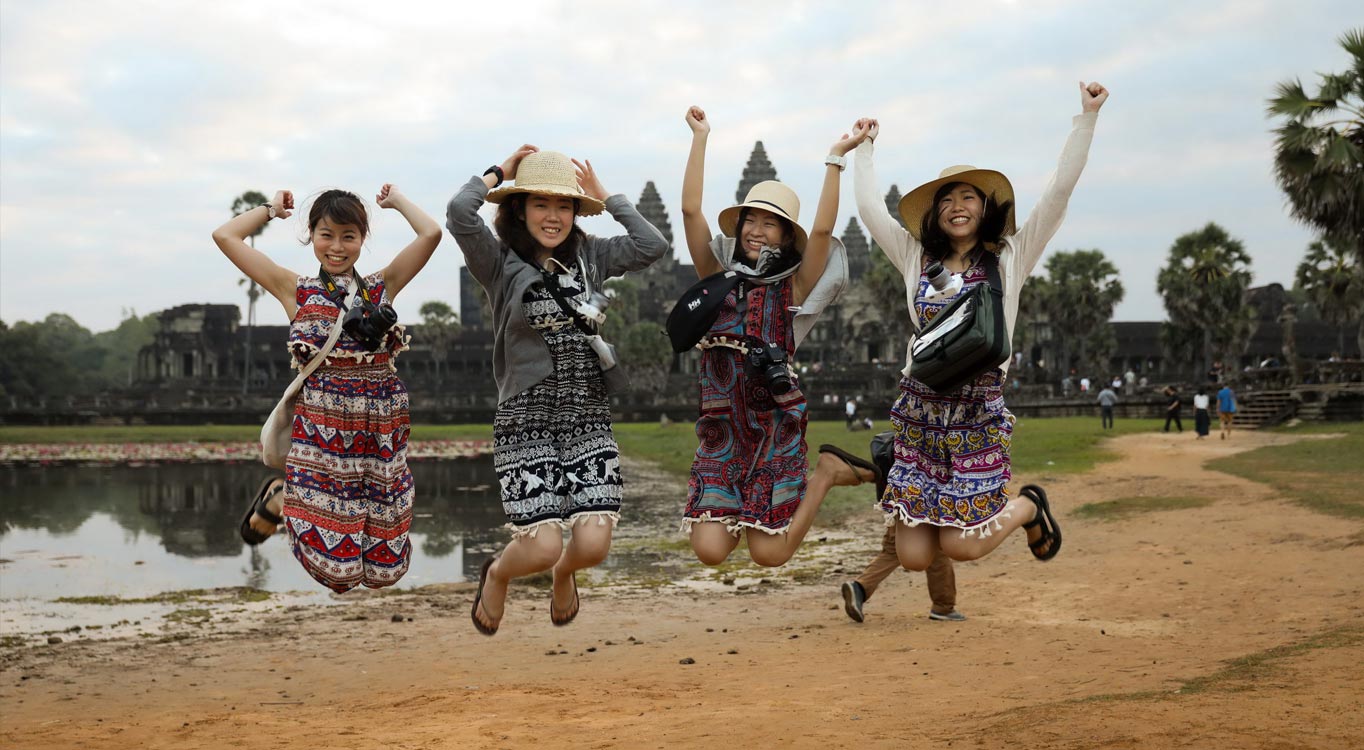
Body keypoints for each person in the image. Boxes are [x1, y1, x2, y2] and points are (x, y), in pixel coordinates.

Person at [852, 80, 1109, 570]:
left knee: (962, 546)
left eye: (968, 197)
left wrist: (1087, 118)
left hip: (977, 413)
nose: (957, 206)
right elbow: (869, 212)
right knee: (913, 557)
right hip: (921, 410)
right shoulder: (914, 256)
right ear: (935, 212)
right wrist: (864, 149)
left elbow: (1058, 192)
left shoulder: (1009, 258)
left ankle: (1029, 506)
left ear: (985, 207)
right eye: (947, 199)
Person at [448, 147, 669, 635]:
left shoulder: (591, 256)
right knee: (542, 544)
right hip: (526, 420)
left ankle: (565, 575)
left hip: (586, 414)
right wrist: (499, 172)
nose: (553, 216)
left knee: (591, 546)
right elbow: (459, 213)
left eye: (564, 205)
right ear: (520, 209)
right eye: (541, 204)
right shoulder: (499, 263)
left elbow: (652, 244)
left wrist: (606, 197)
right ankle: (498, 573)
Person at [213, 184, 441, 592]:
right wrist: (271, 210)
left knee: (385, 570)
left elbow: (431, 236)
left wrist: (398, 202)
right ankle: (284, 497)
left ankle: (287, 496)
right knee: (340, 576)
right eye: (326, 235)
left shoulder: (380, 286)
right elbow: (225, 237)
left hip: (382, 427)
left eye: (348, 236)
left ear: (362, 239)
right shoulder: (294, 289)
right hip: (325, 427)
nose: (337, 247)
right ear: (312, 236)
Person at [680, 105, 875, 568]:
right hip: (722, 432)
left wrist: (835, 158)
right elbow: (690, 211)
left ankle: (826, 473)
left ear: (787, 235)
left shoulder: (793, 288)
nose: (756, 230)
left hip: (773, 427)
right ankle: (760, 496)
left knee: (770, 555)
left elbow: (824, 229)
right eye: (751, 220)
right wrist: (700, 137)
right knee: (709, 551)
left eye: (770, 223)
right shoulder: (716, 278)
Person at [842, 433, 964, 624]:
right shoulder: (936, 433)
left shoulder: (906, 432)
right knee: (936, 549)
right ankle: (944, 607)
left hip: (897, 495)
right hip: (923, 496)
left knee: (894, 549)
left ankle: (859, 588)